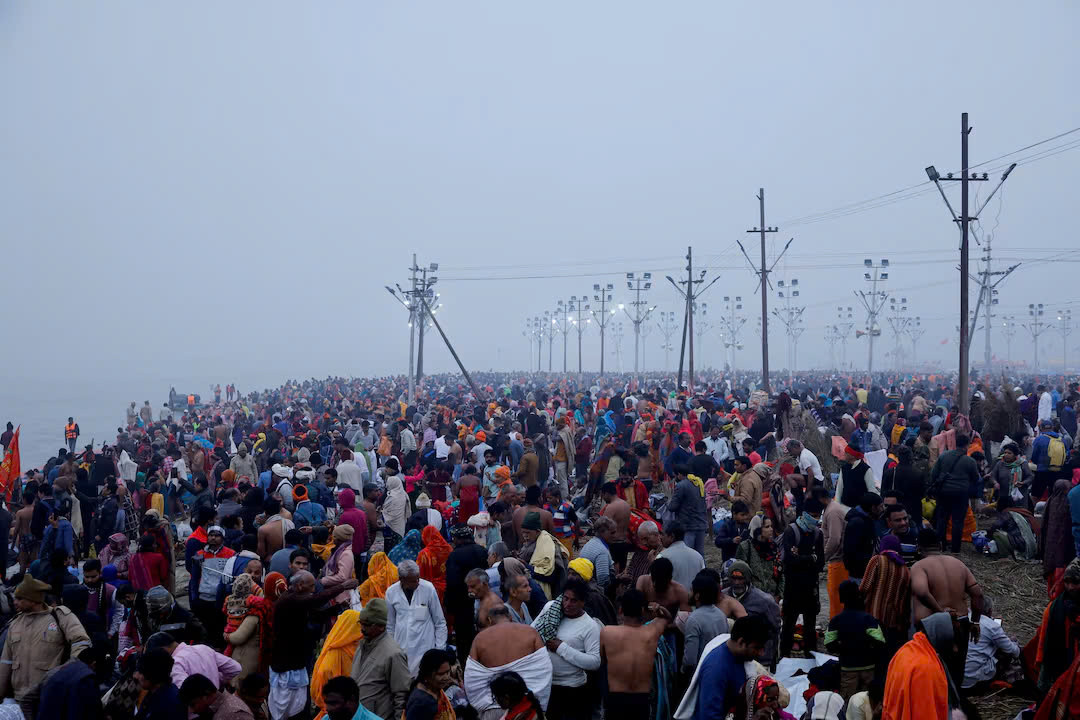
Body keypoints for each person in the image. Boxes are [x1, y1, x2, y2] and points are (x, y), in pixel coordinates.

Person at [269, 570, 359, 719]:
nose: (313, 590)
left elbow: (315, 613)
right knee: (288, 708)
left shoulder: (297, 601)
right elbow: (315, 601)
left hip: (297, 660)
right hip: (286, 665)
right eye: (311, 587)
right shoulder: (288, 600)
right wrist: (342, 587)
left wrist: (336, 607)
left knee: (299, 705)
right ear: (299, 586)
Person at [0, 576, 91, 718]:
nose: (15, 602)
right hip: (19, 700)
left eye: (20, 598)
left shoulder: (60, 616)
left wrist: (69, 677)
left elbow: (81, 643)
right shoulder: (15, 623)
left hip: (49, 697)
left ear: (33, 599)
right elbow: (6, 662)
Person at [676, 614, 771, 720]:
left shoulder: (737, 654)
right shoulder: (716, 669)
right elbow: (710, 716)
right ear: (741, 642)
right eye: (757, 648)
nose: (761, 653)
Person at [531, 579, 601, 720]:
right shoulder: (551, 608)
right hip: (546, 686)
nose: (567, 604)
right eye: (566, 598)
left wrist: (562, 648)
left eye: (574, 601)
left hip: (573, 690)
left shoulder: (590, 626)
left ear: (583, 602)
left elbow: (595, 662)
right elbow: (532, 631)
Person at [466, 609, 552, 720]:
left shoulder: (480, 639)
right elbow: (545, 669)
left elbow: (471, 679)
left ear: (490, 620)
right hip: (527, 706)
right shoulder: (530, 632)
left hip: (493, 708)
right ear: (510, 617)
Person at [600, 589, 672, 720]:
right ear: (643, 611)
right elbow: (667, 617)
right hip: (641, 699)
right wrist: (657, 607)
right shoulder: (652, 632)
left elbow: (602, 660)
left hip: (615, 700)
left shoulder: (607, 632)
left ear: (620, 610)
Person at [881, 612, 967, 720]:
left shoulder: (905, 650)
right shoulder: (926, 668)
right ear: (942, 636)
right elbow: (924, 713)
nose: (955, 649)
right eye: (952, 643)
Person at [349, 598, 411, 720]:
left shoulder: (393, 653)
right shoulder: (362, 646)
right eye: (361, 623)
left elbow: (401, 694)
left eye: (367, 625)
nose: (362, 628)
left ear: (381, 626)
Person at [779, 496, 825, 657]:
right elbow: (790, 560)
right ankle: (783, 658)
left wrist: (803, 559)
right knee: (789, 625)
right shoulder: (791, 531)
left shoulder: (817, 534)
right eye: (813, 514)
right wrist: (810, 559)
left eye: (818, 515)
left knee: (810, 626)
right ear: (805, 513)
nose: (816, 518)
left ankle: (811, 657)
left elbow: (820, 563)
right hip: (793, 586)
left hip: (811, 587)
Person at [824, 580, 884, 700]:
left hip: (848, 669)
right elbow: (880, 642)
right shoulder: (868, 619)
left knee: (848, 701)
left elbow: (829, 644)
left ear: (841, 598)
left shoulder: (836, 620)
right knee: (867, 702)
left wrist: (845, 647)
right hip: (868, 668)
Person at [386, 559, 448, 676]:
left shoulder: (428, 588)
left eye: (418, 578)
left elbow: (439, 622)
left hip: (425, 649)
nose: (418, 582)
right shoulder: (391, 592)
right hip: (401, 649)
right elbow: (390, 625)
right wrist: (391, 650)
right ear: (402, 580)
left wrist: (439, 650)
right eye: (413, 581)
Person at [858, 533, 911, 658]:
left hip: (872, 617)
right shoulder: (905, 570)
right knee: (885, 657)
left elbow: (864, 587)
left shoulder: (877, 560)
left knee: (870, 656)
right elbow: (903, 599)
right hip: (892, 621)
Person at [930, 433, 980, 553]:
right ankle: (955, 549)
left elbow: (933, 474)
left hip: (943, 493)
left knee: (942, 520)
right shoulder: (970, 461)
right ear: (967, 445)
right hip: (961, 494)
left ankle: (940, 546)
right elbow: (976, 478)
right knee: (958, 521)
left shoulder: (944, 456)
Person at [446, 525, 489, 664]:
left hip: (462, 603)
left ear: (459, 539)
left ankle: (467, 665)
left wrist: (449, 605)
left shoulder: (455, 555)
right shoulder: (482, 550)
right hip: (483, 600)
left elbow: (452, 582)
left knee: (464, 639)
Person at [724, 562, 780, 667]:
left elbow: (775, 629)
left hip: (758, 659)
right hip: (731, 656)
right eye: (733, 578)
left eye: (741, 579)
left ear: (748, 579)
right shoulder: (723, 597)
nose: (737, 582)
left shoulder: (764, 601)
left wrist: (769, 659)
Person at [961, 595, 1020, 694]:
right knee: (1006, 647)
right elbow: (1014, 651)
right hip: (973, 680)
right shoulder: (992, 627)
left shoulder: (963, 618)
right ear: (989, 611)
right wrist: (1014, 643)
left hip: (956, 678)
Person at [223, 573, 273, 680]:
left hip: (231, 630)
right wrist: (255, 586)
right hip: (246, 653)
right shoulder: (251, 603)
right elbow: (262, 599)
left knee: (227, 656)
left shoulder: (228, 599)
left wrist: (226, 635)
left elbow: (224, 610)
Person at [683, 575, 729, 672]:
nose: (688, 593)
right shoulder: (721, 615)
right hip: (720, 670)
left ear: (697, 596)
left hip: (701, 674)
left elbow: (690, 661)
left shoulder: (693, 619)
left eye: (691, 590)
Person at [735, 515, 784, 601]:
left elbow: (780, 572)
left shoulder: (773, 547)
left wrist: (779, 595)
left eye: (771, 526)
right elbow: (740, 575)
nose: (771, 529)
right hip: (751, 598)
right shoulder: (745, 547)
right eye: (767, 527)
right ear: (757, 529)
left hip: (772, 597)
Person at [667, 463, 708, 555]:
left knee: (687, 554)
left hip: (688, 525)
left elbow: (672, 507)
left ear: (680, 474)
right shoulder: (698, 483)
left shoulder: (681, 485)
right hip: (701, 523)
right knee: (699, 554)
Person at [403, 648, 456, 720]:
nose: (446, 677)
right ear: (427, 675)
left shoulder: (434, 689)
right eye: (441, 674)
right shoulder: (421, 703)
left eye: (447, 672)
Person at [134, 648, 186, 720]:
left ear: (151, 675)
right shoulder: (155, 693)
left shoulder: (169, 705)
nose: (136, 676)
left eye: (140, 672)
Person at [842, 493, 882, 583]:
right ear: (873, 508)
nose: (882, 509)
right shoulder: (858, 522)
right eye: (880, 506)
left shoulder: (866, 519)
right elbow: (851, 550)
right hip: (859, 573)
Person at [179, 672, 256, 719]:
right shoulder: (214, 710)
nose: (192, 710)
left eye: (193, 705)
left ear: (206, 695)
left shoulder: (235, 713)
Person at [658, 522, 705, 590]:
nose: (660, 537)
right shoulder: (698, 556)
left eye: (662, 534)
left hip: (673, 598)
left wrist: (653, 564)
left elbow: (657, 583)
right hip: (694, 598)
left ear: (671, 536)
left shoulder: (663, 556)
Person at [577, 515, 616, 590]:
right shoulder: (602, 551)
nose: (615, 536)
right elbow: (603, 581)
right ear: (602, 532)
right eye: (612, 533)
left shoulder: (591, 543)